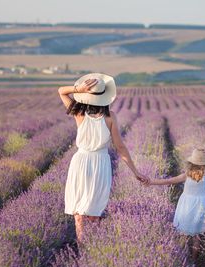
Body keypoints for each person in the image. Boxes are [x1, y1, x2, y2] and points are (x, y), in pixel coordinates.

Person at [58, 73, 148, 244]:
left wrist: (78, 89)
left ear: (86, 95)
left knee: (81, 214)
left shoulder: (79, 112)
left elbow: (62, 91)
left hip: (82, 162)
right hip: (99, 163)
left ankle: (85, 248)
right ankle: (90, 249)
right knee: (93, 212)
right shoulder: (109, 117)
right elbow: (120, 147)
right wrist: (135, 172)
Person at [147, 148, 205, 260]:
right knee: (197, 235)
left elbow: (168, 181)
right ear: (204, 164)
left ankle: (181, 258)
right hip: (200, 205)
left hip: (187, 205)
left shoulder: (187, 175)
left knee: (182, 232)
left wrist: (151, 182)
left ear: (191, 163)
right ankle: (194, 260)